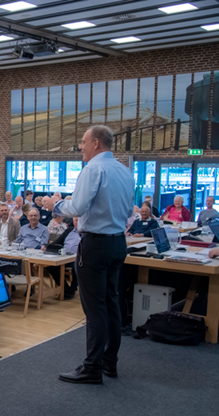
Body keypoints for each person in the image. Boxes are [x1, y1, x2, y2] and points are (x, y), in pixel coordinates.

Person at [53, 125, 134, 384]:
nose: (81, 146)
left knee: (94, 309)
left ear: (97, 143)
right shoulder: (125, 171)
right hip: (117, 243)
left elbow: (77, 206)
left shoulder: (93, 169)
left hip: (95, 246)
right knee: (111, 303)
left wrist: (55, 204)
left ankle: (91, 368)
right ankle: (110, 362)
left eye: (84, 142)